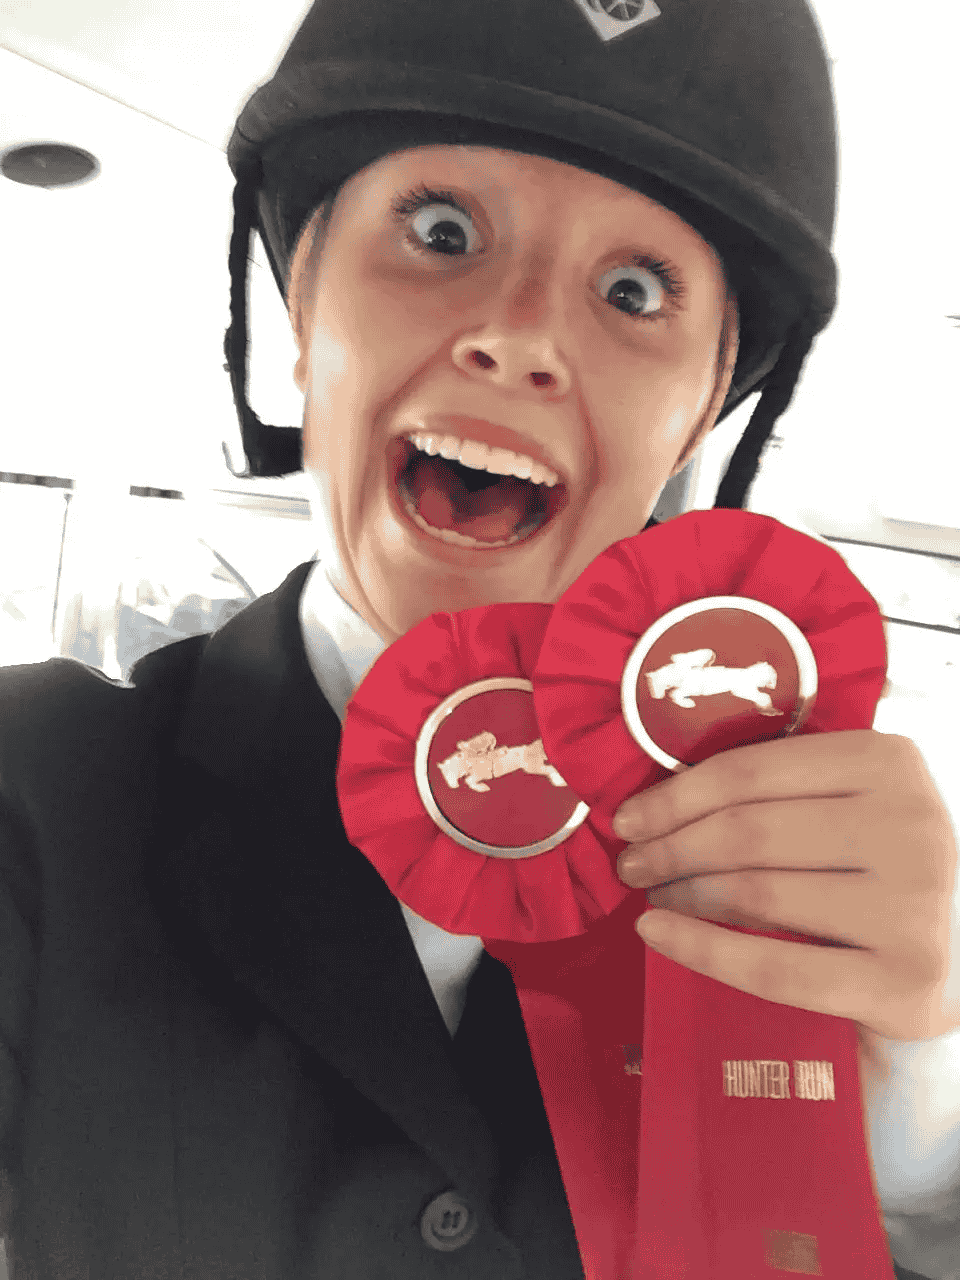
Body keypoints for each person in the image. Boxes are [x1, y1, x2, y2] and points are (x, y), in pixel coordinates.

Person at [0, 1, 956, 1277]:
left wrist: (924, 1124)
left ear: (694, 420)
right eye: (440, 231)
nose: (518, 334)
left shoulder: (785, 883)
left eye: (634, 290)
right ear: (302, 303)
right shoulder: (31, 794)